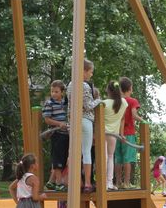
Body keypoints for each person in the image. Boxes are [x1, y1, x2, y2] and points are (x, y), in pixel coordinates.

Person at [67, 60, 102, 193]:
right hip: (85, 120)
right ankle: (87, 182)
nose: (91, 75)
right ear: (84, 71)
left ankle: (75, 181)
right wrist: (98, 100)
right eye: (90, 72)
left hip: (72, 121)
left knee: (73, 152)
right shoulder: (84, 86)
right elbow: (88, 106)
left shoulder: (70, 85)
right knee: (86, 151)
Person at [101, 81, 129, 191]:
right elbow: (122, 118)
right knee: (110, 156)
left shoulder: (103, 103)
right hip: (114, 134)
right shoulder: (124, 103)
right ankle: (109, 182)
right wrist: (121, 134)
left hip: (102, 132)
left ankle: (103, 182)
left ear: (108, 90)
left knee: (104, 157)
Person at [42, 81, 69, 191]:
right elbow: (47, 119)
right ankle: (58, 182)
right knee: (57, 158)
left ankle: (51, 182)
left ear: (62, 92)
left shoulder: (65, 103)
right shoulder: (49, 103)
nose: (53, 94)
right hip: (57, 133)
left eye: (56, 92)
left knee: (64, 158)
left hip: (66, 133)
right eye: (52, 91)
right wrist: (59, 124)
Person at [117, 77, 141, 189]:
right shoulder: (132, 101)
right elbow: (134, 115)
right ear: (130, 88)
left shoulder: (117, 101)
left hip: (117, 133)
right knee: (128, 158)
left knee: (118, 158)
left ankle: (118, 182)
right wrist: (143, 121)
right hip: (129, 133)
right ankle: (126, 183)